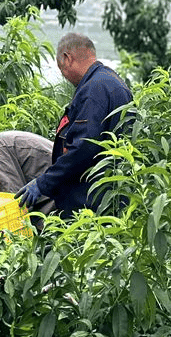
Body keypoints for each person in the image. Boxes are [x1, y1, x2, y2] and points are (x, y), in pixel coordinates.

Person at [17, 34, 133, 217]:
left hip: (90, 202)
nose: (64, 76)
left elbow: (83, 147)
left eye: (61, 68)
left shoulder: (94, 90)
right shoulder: (110, 81)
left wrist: (43, 183)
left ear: (67, 58)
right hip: (112, 194)